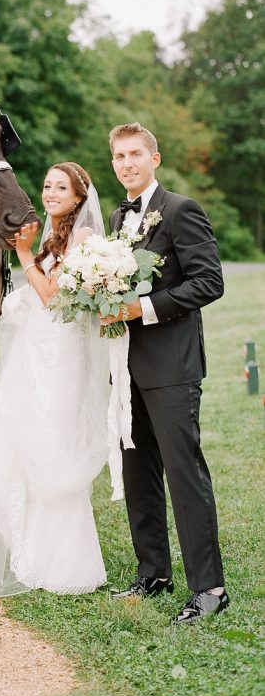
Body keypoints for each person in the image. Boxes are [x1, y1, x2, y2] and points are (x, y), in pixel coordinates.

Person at [102, 122, 228, 624]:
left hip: (172, 367)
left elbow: (209, 282)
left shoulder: (181, 210)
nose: (126, 164)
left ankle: (210, 589)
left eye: (135, 154)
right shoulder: (117, 216)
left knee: (184, 473)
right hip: (127, 367)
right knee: (139, 473)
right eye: (118, 156)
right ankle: (152, 573)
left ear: (155, 158)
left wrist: (143, 308)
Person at [0, 162, 110, 596]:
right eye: (47, 186)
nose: (50, 193)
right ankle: (30, 549)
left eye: (60, 187)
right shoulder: (51, 238)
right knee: (22, 442)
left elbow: (54, 300)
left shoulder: (84, 239)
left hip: (62, 356)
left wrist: (24, 256)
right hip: (35, 354)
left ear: (79, 197)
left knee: (52, 444)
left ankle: (65, 561)